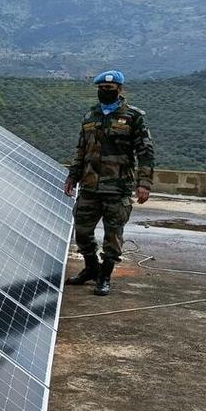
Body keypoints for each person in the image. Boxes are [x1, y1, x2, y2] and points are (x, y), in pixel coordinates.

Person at [63, 70, 154, 296]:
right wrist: (72, 176)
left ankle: (105, 275)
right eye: (102, 88)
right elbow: (81, 150)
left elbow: (145, 152)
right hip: (89, 186)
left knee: (113, 235)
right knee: (82, 231)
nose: (105, 91)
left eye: (110, 88)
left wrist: (144, 183)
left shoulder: (133, 117)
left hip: (117, 187)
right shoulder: (90, 116)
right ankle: (91, 268)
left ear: (119, 90)